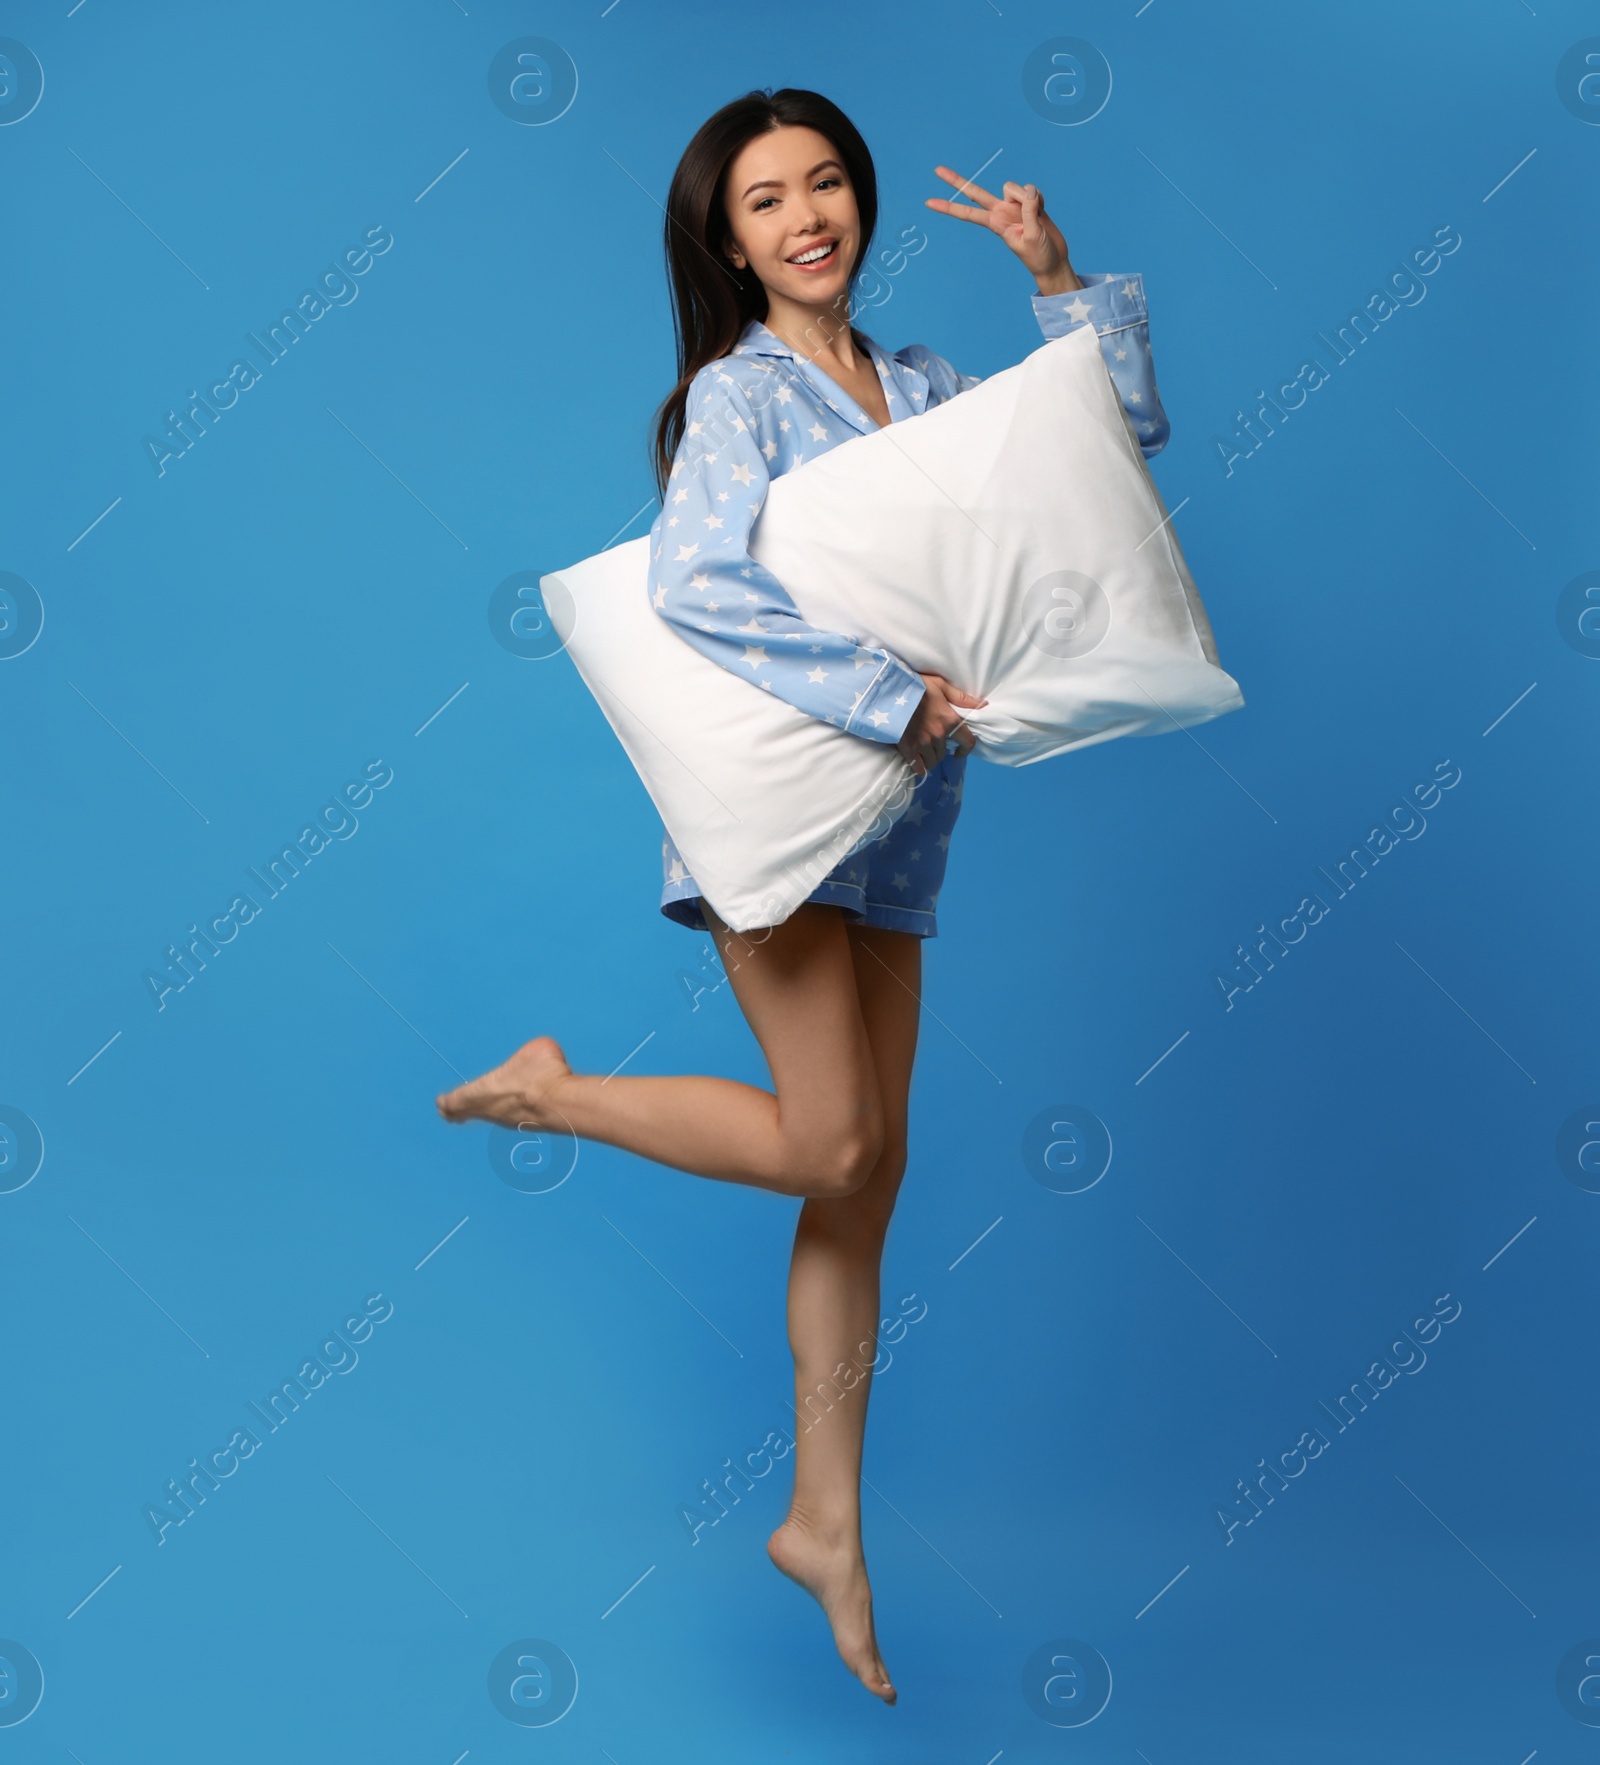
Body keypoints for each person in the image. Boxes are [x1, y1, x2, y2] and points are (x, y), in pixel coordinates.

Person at [439, 86, 1171, 1705]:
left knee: (869, 1177)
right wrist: (881, 692)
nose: (806, 216)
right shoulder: (737, 396)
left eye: (825, 182)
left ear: (862, 199)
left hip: (903, 827)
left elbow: (1098, 457)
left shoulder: (922, 388)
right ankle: (560, 1095)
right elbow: (698, 577)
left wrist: (1061, 279)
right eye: (766, 200)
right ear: (729, 237)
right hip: (784, 814)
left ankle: (822, 1519)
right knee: (832, 1137)